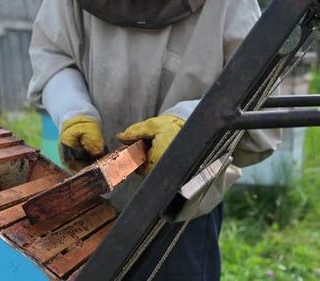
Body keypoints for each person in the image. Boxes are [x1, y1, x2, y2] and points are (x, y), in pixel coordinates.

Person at [27, 0, 281, 280]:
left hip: (180, 212)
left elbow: (257, 95)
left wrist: (190, 126)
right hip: (90, 206)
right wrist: (73, 111)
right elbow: (53, 58)